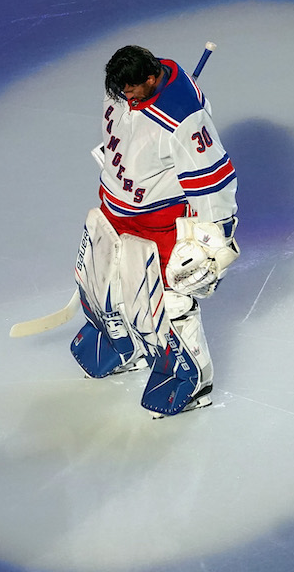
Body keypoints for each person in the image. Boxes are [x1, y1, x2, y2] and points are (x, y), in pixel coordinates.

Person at [68, 45, 239, 419]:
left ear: (150, 78)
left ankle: (191, 379)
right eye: (120, 91)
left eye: (132, 90)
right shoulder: (119, 89)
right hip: (115, 203)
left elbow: (215, 180)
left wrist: (214, 239)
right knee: (100, 280)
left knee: (169, 300)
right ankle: (122, 345)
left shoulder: (183, 117)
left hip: (159, 219)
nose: (125, 98)